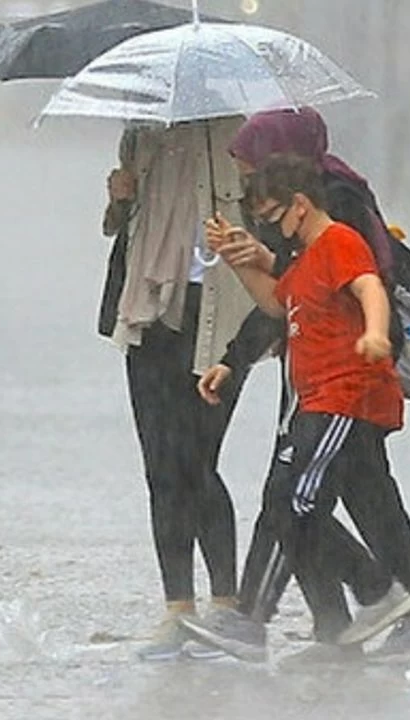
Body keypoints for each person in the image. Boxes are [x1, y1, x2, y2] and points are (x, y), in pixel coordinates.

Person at [184, 108, 410, 666]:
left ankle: (295, 614)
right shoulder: (297, 214)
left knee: (292, 499)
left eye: (252, 172)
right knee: (360, 498)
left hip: (344, 378)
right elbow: (284, 295)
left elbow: (357, 284)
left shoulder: (336, 208)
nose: (248, 190)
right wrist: (235, 349)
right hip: (322, 374)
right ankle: (369, 624)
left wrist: (375, 334)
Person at [97, 115, 258, 662]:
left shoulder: (237, 135)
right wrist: (120, 199)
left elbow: (269, 223)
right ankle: (178, 610)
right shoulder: (140, 132)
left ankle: (226, 605)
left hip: (218, 317)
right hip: (148, 312)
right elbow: (121, 227)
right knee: (161, 467)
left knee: (197, 461)